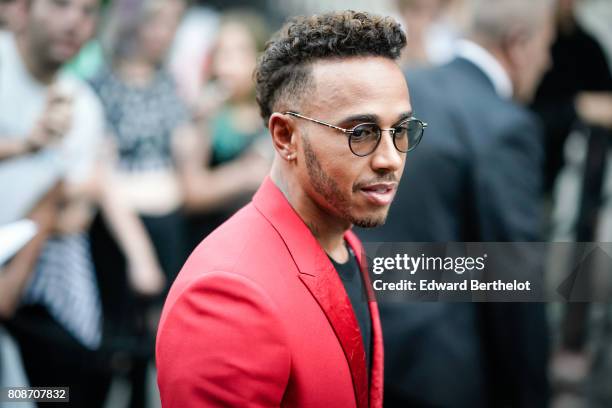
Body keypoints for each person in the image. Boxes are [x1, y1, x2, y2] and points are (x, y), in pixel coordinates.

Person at [156, 10, 426, 407]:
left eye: (400, 130)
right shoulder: (226, 297)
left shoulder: (345, 240)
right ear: (285, 137)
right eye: (361, 133)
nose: (390, 159)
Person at [358, 0, 555, 407]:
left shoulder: (407, 89)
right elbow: (514, 275)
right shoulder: (505, 126)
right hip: (446, 371)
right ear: (518, 44)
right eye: (546, 45)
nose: (548, 61)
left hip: (368, 343)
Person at [0, 0, 163, 405]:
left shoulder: (83, 106)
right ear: (21, 9)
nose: (75, 21)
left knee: (51, 390)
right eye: (60, 5)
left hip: (26, 279)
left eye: (88, 11)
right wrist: (26, 147)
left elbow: (71, 213)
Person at [181, 9, 272, 250]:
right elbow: (193, 195)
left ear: (260, 57)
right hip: (214, 240)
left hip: (264, 241)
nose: (228, 63)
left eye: (239, 52)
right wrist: (245, 173)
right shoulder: (207, 115)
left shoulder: (274, 113)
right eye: (221, 52)